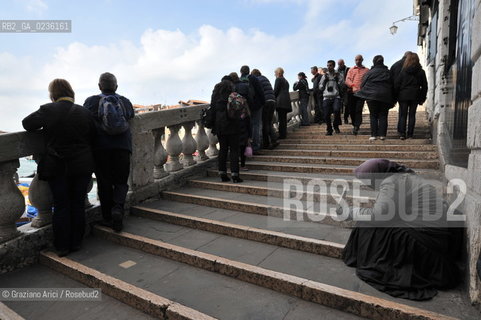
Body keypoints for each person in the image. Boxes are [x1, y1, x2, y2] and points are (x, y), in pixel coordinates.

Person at [341, 159, 462, 301]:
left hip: (424, 242)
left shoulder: (391, 182)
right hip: (434, 240)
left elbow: (379, 215)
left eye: (367, 180)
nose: (366, 184)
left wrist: (349, 212)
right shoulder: (404, 176)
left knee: (367, 224)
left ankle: (366, 259)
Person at [22, 79, 95, 257]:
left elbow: (27, 124)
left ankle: (62, 246)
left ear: (53, 94)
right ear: (71, 93)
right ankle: (77, 242)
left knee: (61, 205)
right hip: (82, 165)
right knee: (78, 203)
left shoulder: (48, 110)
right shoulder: (85, 112)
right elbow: (93, 136)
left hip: (58, 165)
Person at [83, 73, 135, 232]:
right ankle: (118, 209)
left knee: (104, 182)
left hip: (101, 149)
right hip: (122, 147)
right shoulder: (125, 101)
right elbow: (131, 116)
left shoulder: (91, 101)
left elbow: (85, 121)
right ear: (116, 87)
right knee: (120, 181)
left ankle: (107, 217)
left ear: (99, 86)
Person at [211, 77, 243, 183]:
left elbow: (212, 108)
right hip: (233, 123)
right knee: (234, 150)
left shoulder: (216, 93)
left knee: (223, 149)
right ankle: (235, 175)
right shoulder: (232, 92)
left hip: (220, 124)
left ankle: (222, 174)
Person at [355, 55, 394, 141]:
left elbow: (362, 84)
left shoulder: (369, 73)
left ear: (373, 62)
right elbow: (393, 85)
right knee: (383, 115)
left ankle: (374, 135)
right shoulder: (388, 72)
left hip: (371, 96)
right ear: (382, 61)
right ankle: (382, 135)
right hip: (385, 96)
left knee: (373, 115)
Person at [394, 52, 428, 140]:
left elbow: (397, 84)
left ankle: (402, 133)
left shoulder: (403, 71)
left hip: (403, 95)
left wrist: (396, 95)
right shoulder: (421, 72)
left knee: (403, 115)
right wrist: (422, 98)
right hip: (415, 95)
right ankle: (410, 135)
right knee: (412, 115)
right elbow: (424, 86)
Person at [239, 65, 265, 153]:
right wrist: (263, 102)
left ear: (241, 72)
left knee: (247, 126)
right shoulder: (253, 78)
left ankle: (246, 147)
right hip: (256, 105)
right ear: (249, 71)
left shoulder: (239, 80)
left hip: (245, 106)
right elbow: (260, 91)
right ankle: (256, 146)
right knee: (256, 125)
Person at [251, 69, 279, 149]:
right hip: (272, 101)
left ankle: (267, 143)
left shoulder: (257, 80)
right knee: (269, 122)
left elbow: (257, 92)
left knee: (265, 122)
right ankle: (273, 140)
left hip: (266, 102)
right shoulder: (265, 78)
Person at [345, 55, 369, 135]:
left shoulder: (366, 70)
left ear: (362, 60)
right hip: (352, 92)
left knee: (358, 109)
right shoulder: (351, 70)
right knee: (351, 110)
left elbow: (368, 80)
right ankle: (355, 124)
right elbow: (347, 79)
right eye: (356, 60)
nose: (358, 61)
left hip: (361, 93)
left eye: (359, 59)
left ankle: (356, 125)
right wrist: (352, 86)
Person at [319, 60, 343, 135]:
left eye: (330, 65)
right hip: (326, 97)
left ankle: (336, 126)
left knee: (336, 110)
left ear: (333, 66)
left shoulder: (338, 74)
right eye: (328, 65)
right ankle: (329, 129)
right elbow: (320, 87)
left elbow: (342, 85)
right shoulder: (324, 75)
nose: (328, 67)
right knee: (326, 114)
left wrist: (337, 80)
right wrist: (324, 82)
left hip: (336, 96)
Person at [274, 67, 291, 139]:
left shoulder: (278, 79)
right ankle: (284, 134)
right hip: (286, 101)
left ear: (278, 73)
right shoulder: (286, 81)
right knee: (283, 119)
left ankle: (282, 135)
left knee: (281, 119)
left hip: (280, 102)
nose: (274, 74)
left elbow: (275, 91)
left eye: (275, 73)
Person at [337, 59, 350, 124]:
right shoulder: (336, 71)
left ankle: (345, 118)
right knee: (338, 105)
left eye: (340, 64)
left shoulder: (348, 69)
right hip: (338, 89)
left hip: (346, 89)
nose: (339, 65)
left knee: (347, 104)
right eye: (338, 64)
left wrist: (349, 87)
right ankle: (339, 120)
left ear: (343, 63)